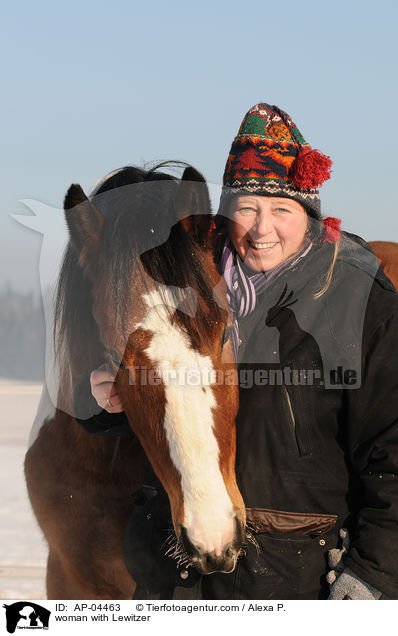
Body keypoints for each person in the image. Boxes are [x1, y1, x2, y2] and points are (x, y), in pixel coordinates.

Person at [73, 103, 398, 599]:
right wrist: (103, 400)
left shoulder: (359, 300)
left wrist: (373, 575)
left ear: (308, 215)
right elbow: (167, 388)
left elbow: (392, 451)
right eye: (247, 208)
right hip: (180, 576)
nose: (263, 228)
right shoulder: (192, 280)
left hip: (297, 580)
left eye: (282, 209)